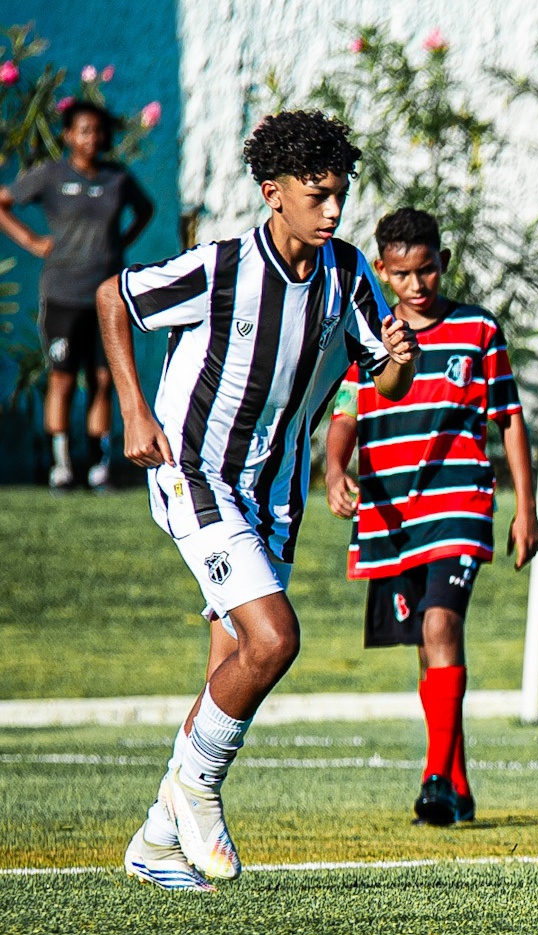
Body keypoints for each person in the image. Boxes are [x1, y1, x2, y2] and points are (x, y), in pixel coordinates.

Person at [97, 110, 417, 893]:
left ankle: (156, 839)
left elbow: (383, 378)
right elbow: (113, 297)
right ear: (273, 193)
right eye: (317, 196)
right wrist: (134, 410)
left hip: (274, 493)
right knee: (274, 639)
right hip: (196, 472)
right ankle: (198, 790)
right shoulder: (223, 267)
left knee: (233, 665)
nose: (333, 211)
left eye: (339, 194)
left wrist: (399, 361)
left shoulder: (347, 271)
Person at [325, 208, 538, 828]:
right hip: (390, 514)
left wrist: (526, 509)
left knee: (441, 624)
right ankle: (458, 785)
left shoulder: (477, 329)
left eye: (426, 270)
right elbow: (344, 413)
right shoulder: (368, 333)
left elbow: (509, 419)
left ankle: (435, 779)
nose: (417, 285)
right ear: (383, 271)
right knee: (426, 646)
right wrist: (335, 471)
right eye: (402, 274)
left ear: (442, 262)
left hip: (459, 502)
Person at [0, 101, 154, 489]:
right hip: (63, 295)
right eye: (84, 130)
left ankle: (99, 464)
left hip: (107, 296)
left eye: (98, 131)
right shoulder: (50, 175)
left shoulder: (117, 177)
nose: (92, 138)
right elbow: (3, 202)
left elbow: (145, 210)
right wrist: (31, 241)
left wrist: (120, 244)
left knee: (103, 378)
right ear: (68, 135)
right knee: (63, 378)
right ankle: (62, 465)